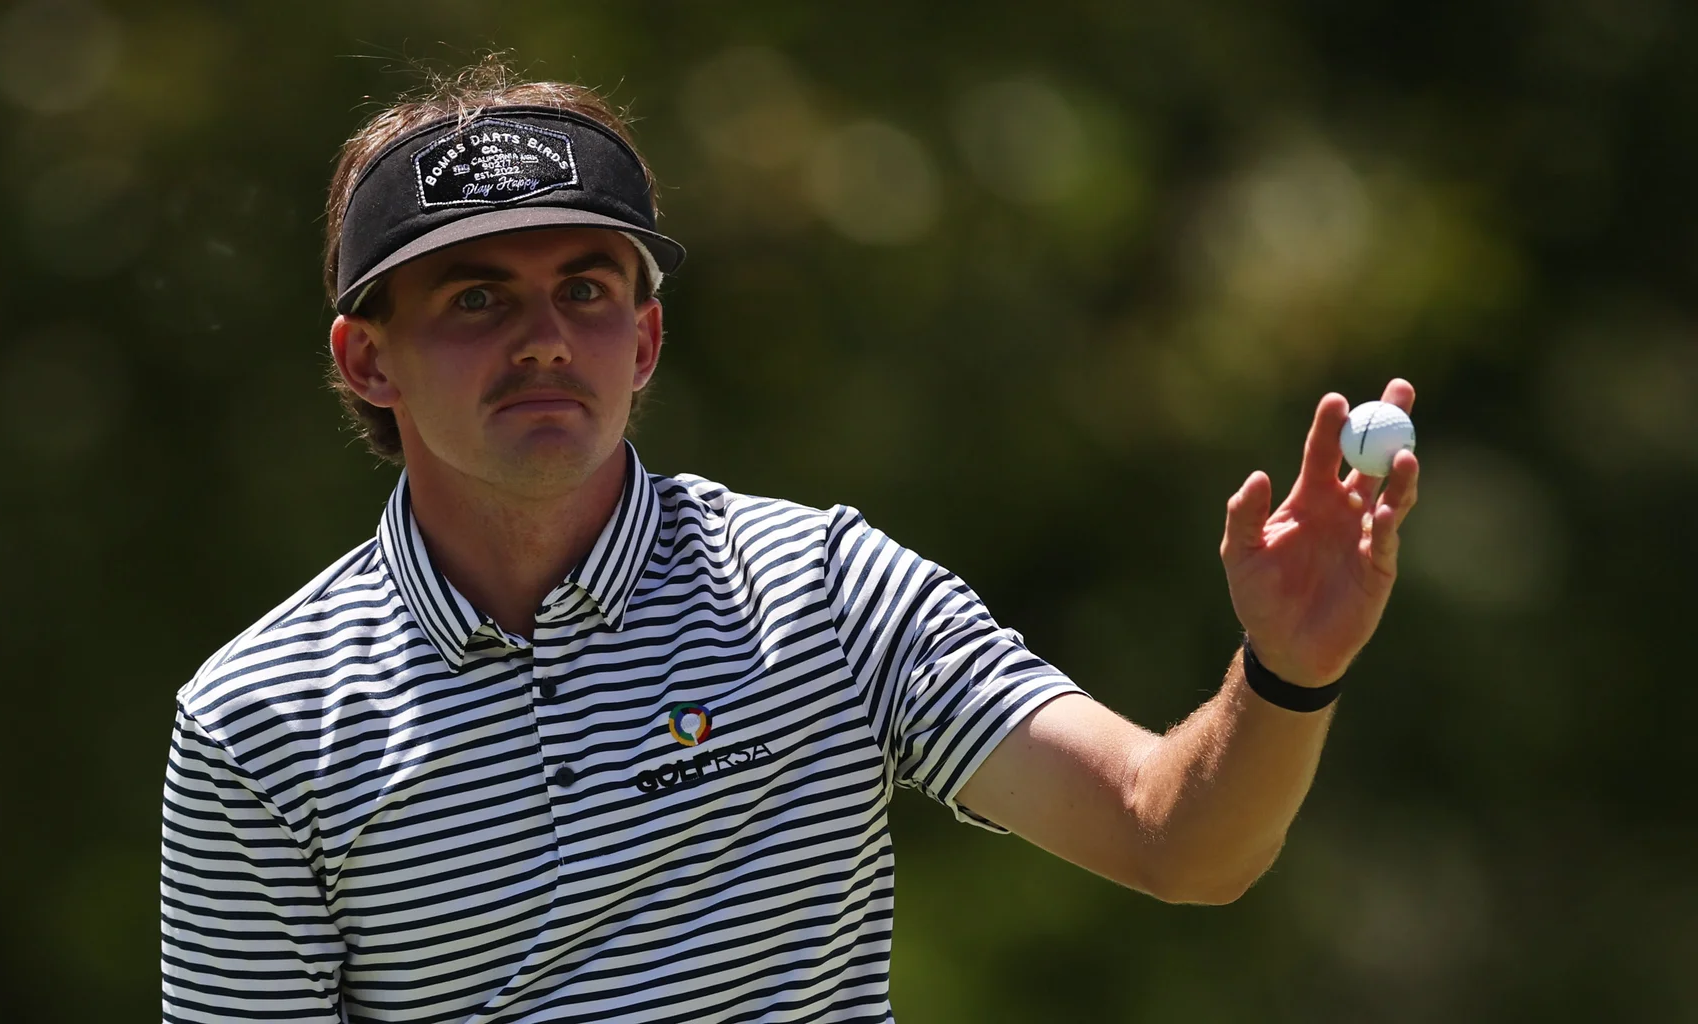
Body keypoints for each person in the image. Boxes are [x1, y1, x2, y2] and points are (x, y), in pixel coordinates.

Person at [159, 61, 1422, 1023]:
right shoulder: (257, 721)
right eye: (477, 295)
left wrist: (1287, 673)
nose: (544, 335)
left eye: (587, 289)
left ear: (644, 343)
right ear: (367, 359)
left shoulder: (823, 590)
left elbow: (1175, 840)